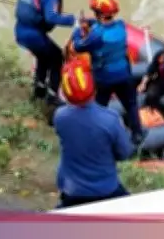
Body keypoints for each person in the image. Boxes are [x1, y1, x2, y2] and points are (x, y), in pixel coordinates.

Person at [53, 58, 134, 209]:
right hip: (105, 188)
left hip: (71, 188)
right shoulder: (110, 119)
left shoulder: (60, 116)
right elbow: (124, 153)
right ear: (94, 88)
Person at [70, 0, 143, 145]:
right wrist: (89, 22)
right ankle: (137, 133)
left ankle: (94, 135)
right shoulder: (121, 25)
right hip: (124, 74)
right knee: (131, 104)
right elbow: (102, 25)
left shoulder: (96, 35)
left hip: (105, 78)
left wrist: (78, 29)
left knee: (99, 107)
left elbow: (78, 46)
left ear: (99, 14)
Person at [14, 0, 76, 102]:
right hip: (33, 35)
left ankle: (39, 89)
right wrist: (74, 20)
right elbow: (51, 17)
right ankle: (53, 95)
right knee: (57, 58)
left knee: (43, 57)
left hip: (20, 31)